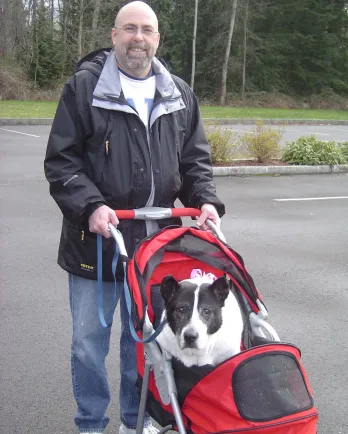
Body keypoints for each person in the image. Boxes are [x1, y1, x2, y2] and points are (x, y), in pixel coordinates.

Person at [44, 1, 225, 433]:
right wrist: (90, 206)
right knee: (88, 344)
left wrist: (205, 201)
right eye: (129, 29)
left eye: (146, 29)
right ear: (114, 36)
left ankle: (134, 418)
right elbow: (62, 162)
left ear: (158, 38)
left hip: (155, 245)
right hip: (97, 242)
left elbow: (195, 162)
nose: (138, 38)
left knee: (141, 342)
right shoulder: (84, 88)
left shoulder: (178, 93)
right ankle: (90, 423)